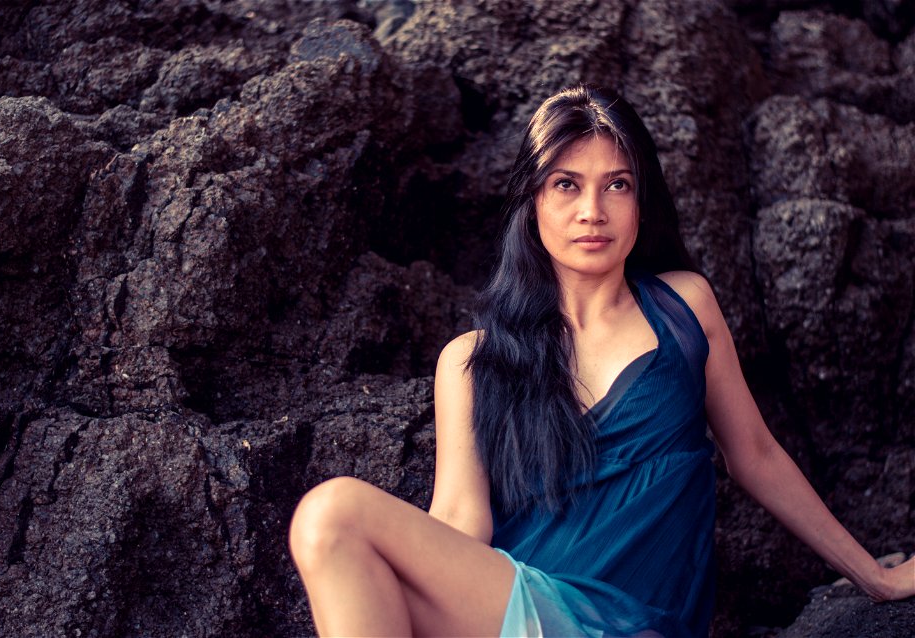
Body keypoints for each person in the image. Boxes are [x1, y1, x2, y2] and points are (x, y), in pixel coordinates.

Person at [288, 84, 915, 637]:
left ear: (642, 202)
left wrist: (874, 577)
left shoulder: (683, 308)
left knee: (333, 511)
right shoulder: (473, 362)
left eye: (617, 184)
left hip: (634, 622)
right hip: (513, 613)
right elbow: (459, 521)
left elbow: (754, 454)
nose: (593, 211)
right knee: (329, 520)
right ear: (531, 204)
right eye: (566, 184)